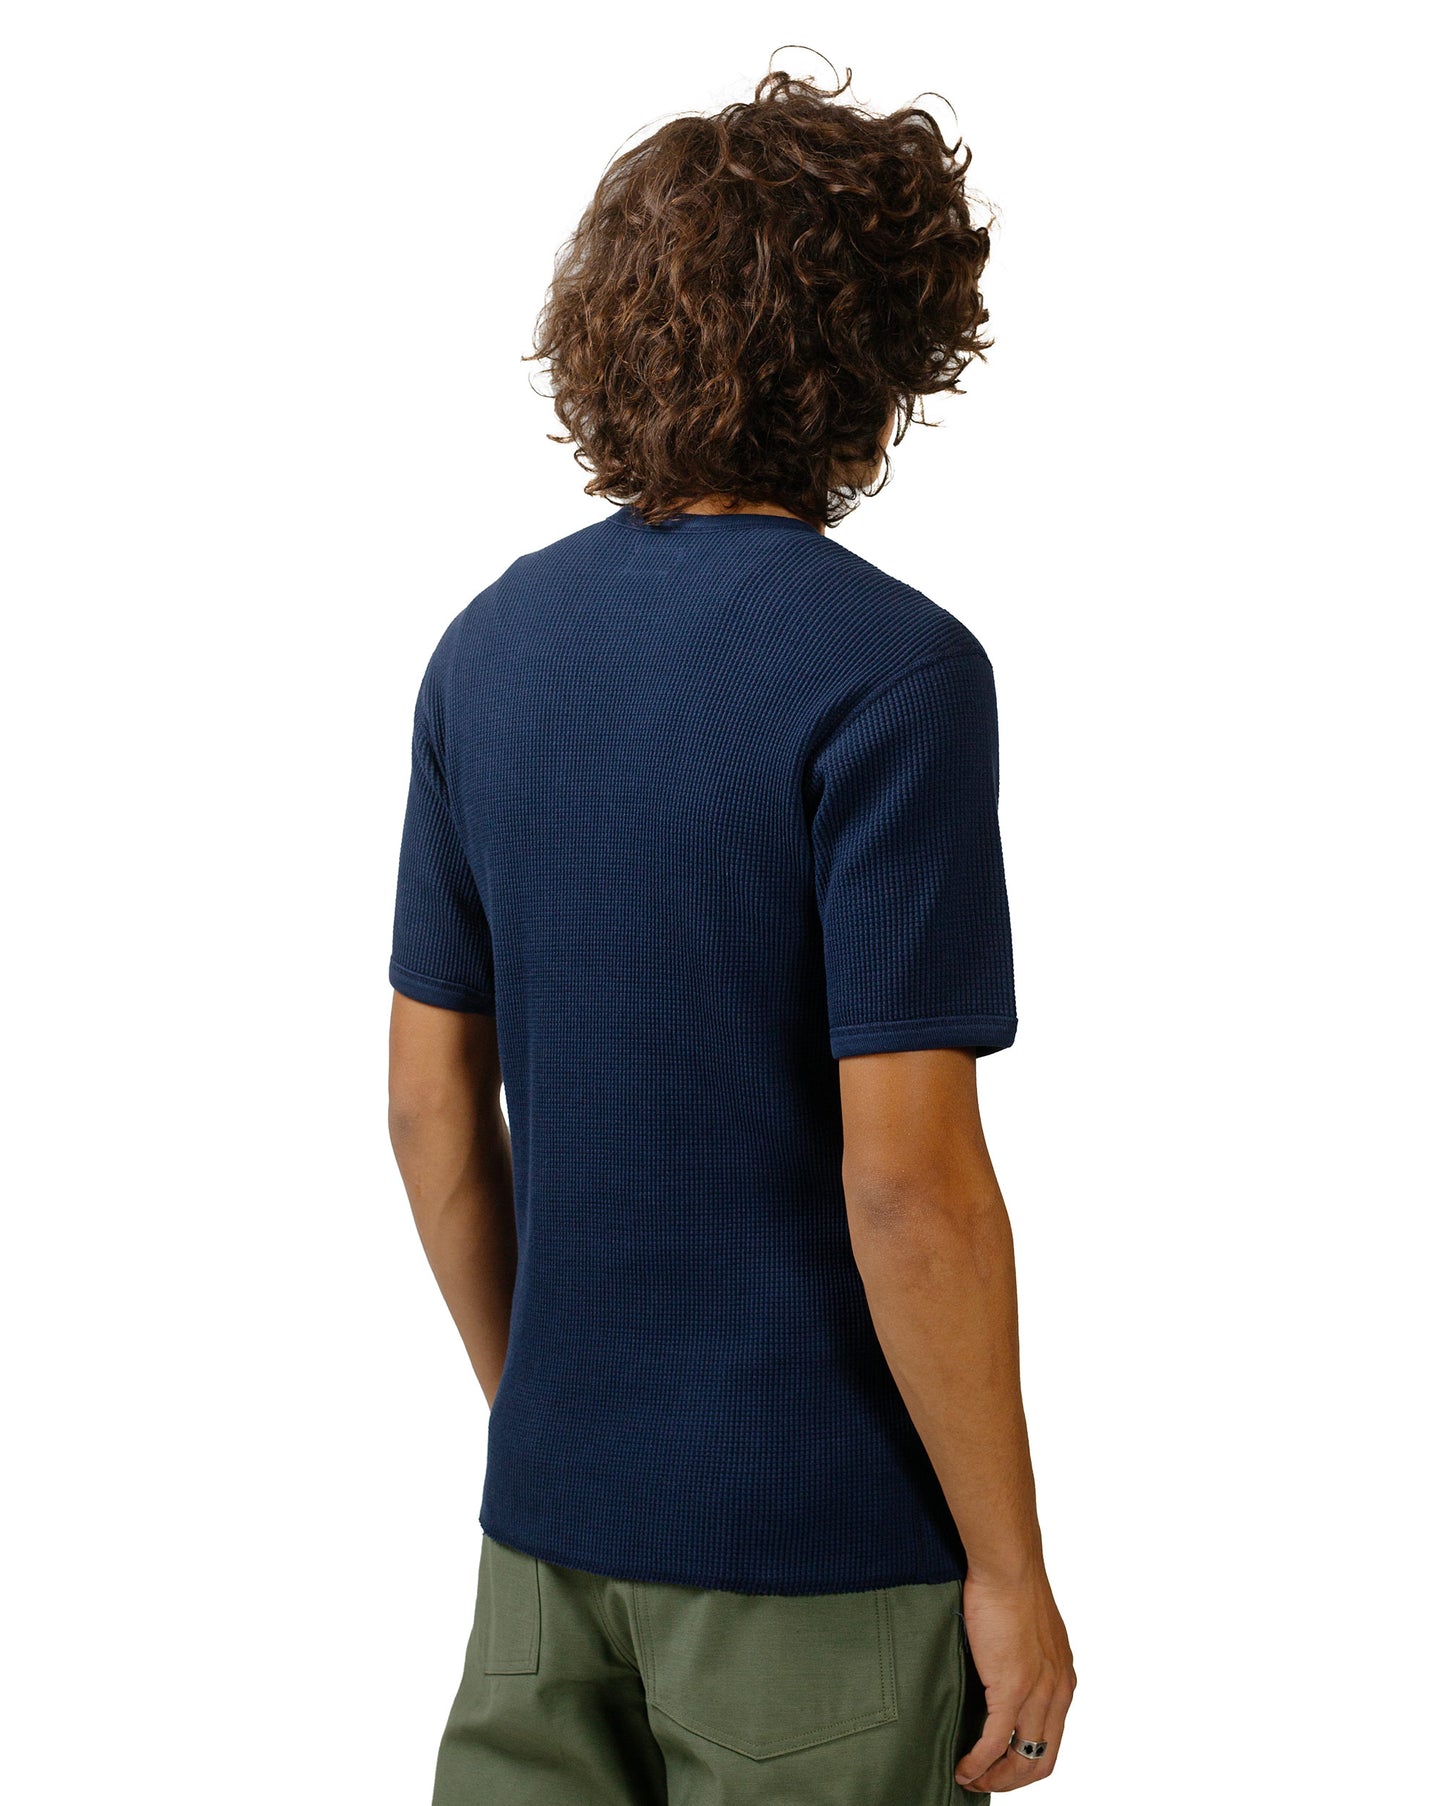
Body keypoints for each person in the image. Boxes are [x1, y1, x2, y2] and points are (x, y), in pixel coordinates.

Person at [387, 66, 1074, 1805]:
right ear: (876, 355)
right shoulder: (895, 675)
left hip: (544, 1551)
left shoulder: (486, 652)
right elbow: (908, 1182)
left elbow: (425, 1106)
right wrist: (1008, 1569)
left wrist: (552, 1420)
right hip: (820, 1566)